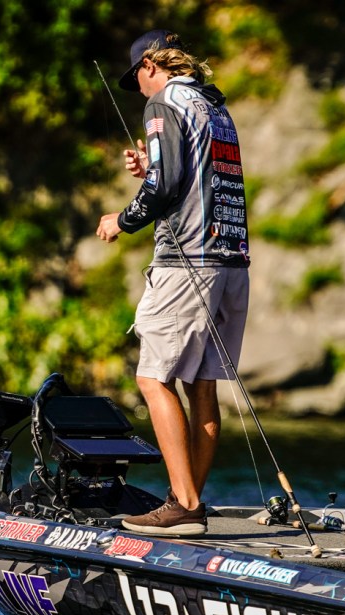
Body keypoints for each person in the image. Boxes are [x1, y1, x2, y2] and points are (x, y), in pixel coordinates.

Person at [96, 29, 250, 536]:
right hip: (230, 260)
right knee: (200, 383)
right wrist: (151, 167)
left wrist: (122, 220)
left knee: (152, 378)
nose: (139, 91)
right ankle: (188, 501)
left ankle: (184, 505)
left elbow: (164, 187)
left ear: (149, 66)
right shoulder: (215, 105)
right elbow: (191, 176)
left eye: (137, 79)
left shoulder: (163, 101)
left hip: (188, 261)